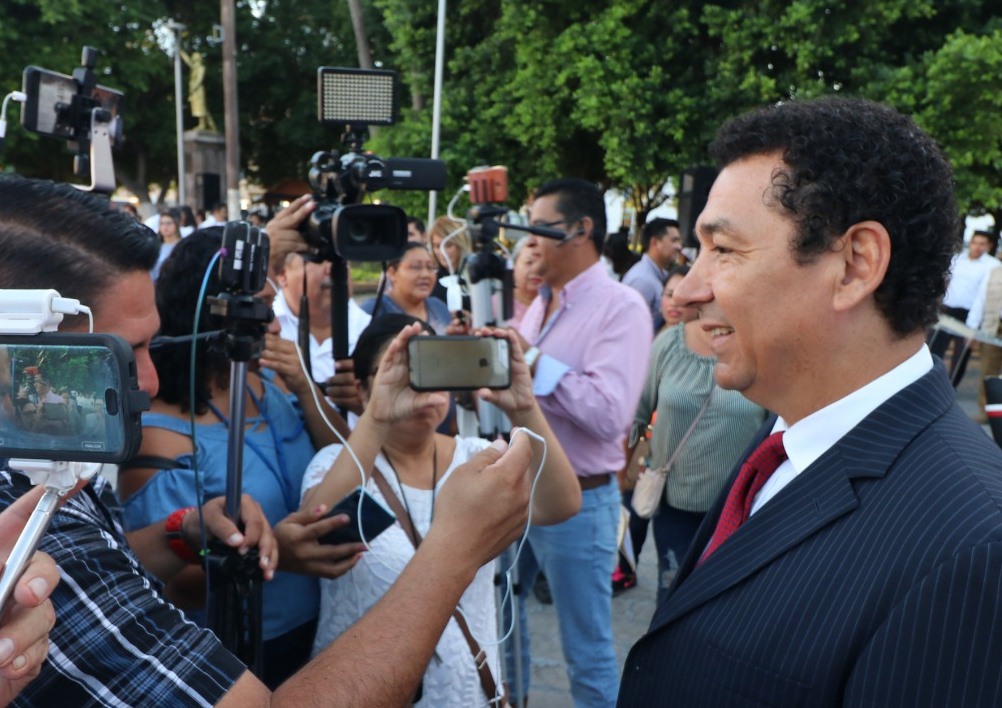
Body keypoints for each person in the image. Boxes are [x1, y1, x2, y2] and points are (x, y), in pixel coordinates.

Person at [0, 173, 543, 706]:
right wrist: (452, 553)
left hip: (314, 637)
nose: (149, 378)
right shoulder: (50, 513)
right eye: (124, 351)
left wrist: (185, 531)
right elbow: (148, 591)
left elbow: (119, 560)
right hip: (240, 648)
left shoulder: (267, 393)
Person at [618, 97, 1002, 707]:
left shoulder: (974, 549)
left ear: (855, 265)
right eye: (697, 253)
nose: (687, 291)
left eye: (724, 250)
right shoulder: (782, 437)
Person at [300, 314, 581, 706]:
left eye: (430, 365)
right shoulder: (337, 464)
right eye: (398, 372)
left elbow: (561, 504)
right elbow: (314, 532)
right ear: (362, 389)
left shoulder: (479, 460)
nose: (418, 384)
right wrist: (377, 416)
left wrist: (524, 407)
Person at [117, 229, 356, 688]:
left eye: (274, 307)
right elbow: (172, 586)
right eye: (261, 311)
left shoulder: (269, 384)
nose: (277, 326)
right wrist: (275, 554)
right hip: (238, 651)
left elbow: (346, 459)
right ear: (214, 316)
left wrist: (306, 387)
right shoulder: (159, 435)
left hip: (324, 623)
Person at [507, 178, 652, 708]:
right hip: (515, 491)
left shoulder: (621, 306)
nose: (529, 242)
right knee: (504, 622)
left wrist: (531, 360)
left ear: (581, 230)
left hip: (580, 501)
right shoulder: (542, 302)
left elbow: (610, 414)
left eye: (539, 228)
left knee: (586, 652)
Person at [625, 277, 766, 605]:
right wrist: (620, 478)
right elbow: (636, 414)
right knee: (671, 594)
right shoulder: (668, 345)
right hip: (673, 502)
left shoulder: (760, 347)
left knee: (724, 602)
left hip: (738, 508)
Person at [612, 264, 695, 594]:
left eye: (681, 295)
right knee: (635, 510)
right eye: (668, 294)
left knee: (645, 511)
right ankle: (625, 567)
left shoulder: (707, 345)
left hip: (672, 449)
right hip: (642, 444)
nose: (674, 302)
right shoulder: (652, 334)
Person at [929, 230, 1000, 385]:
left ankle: (951, 386)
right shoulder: (958, 259)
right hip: (947, 309)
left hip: (970, 314)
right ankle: (929, 383)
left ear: (988, 246)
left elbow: (982, 296)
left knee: (960, 357)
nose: (977, 247)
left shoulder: (992, 266)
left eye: (982, 244)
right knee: (934, 350)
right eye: (975, 243)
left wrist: (973, 325)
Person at [361, 242, 452, 333]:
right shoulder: (373, 310)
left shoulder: (438, 307)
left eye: (430, 267)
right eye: (416, 267)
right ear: (392, 272)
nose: (425, 274)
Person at [621, 218, 683, 332]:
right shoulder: (642, 280)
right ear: (655, 242)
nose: (679, 246)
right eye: (674, 241)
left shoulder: (661, 274)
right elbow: (631, 328)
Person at [966, 265, 1002, 417]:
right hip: (993, 329)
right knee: (988, 372)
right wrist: (972, 328)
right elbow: (980, 300)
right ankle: (985, 411)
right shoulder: (993, 272)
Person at [429, 215, 471, 303]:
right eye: (437, 246)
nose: (442, 252)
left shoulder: (475, 277)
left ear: (461, 244)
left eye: (448, 245)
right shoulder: (431, 280)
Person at [508, 236, 543, 328]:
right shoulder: (495, 305)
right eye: (529, 262)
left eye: (543, 264)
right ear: (514, 266)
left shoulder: (557, 305)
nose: (536, 270)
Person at [151, 208, 182, 281]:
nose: (165, 227)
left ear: (176, 224)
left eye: (168, 223)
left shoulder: (182, 245)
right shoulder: (155, 246)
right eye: (162, 224)